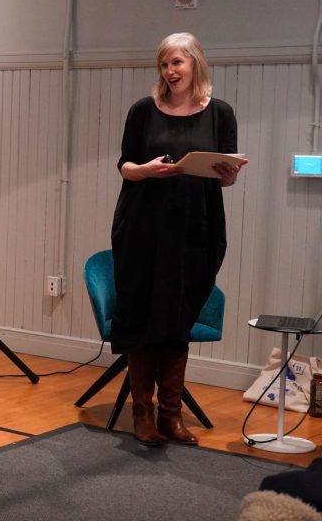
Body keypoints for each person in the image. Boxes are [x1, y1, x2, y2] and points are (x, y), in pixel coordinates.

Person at [111, 33, 243, 447]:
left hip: (196, 228)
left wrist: (230, 174)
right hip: (142, 227)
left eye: (177, 63)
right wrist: (146, 169)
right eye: (165, 64)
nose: (170, 71)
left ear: (195, 65)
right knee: (142, 314)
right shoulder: (143, 111)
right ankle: (142, 414)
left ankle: (172, 415)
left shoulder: (220, 113)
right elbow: (125, 167)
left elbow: (225, 172)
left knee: (178, 317)